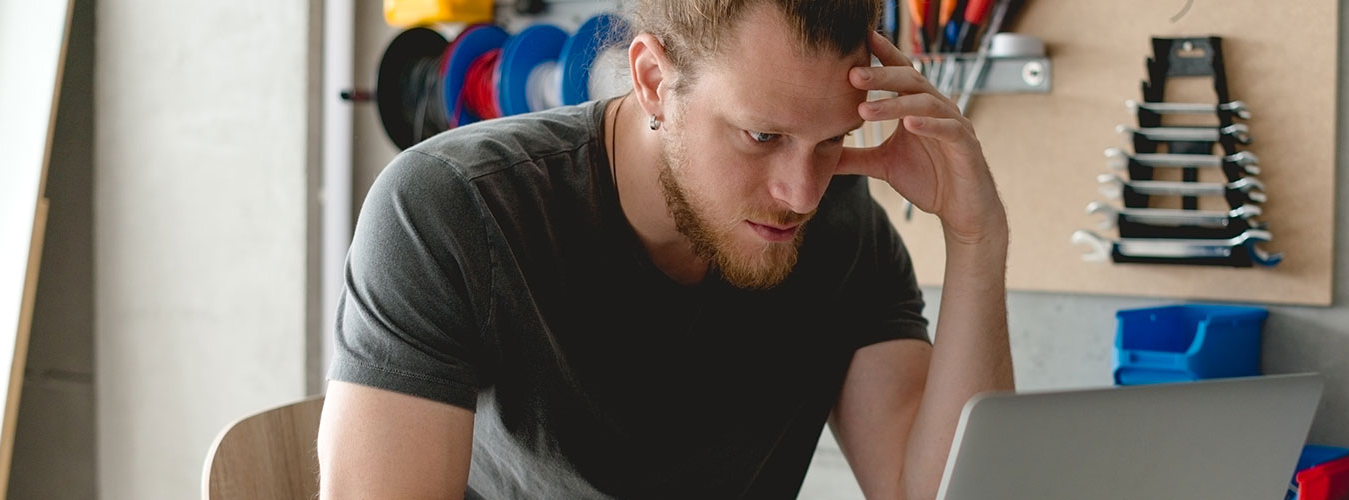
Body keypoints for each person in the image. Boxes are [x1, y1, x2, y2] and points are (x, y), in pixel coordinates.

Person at [317, 1, 1012, 498]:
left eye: (831, 140)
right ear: (652, 79)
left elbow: (940, 494)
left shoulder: (842, 227)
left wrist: (977, 238)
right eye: (762, 137)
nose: (801, 192)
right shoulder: (449, 211)